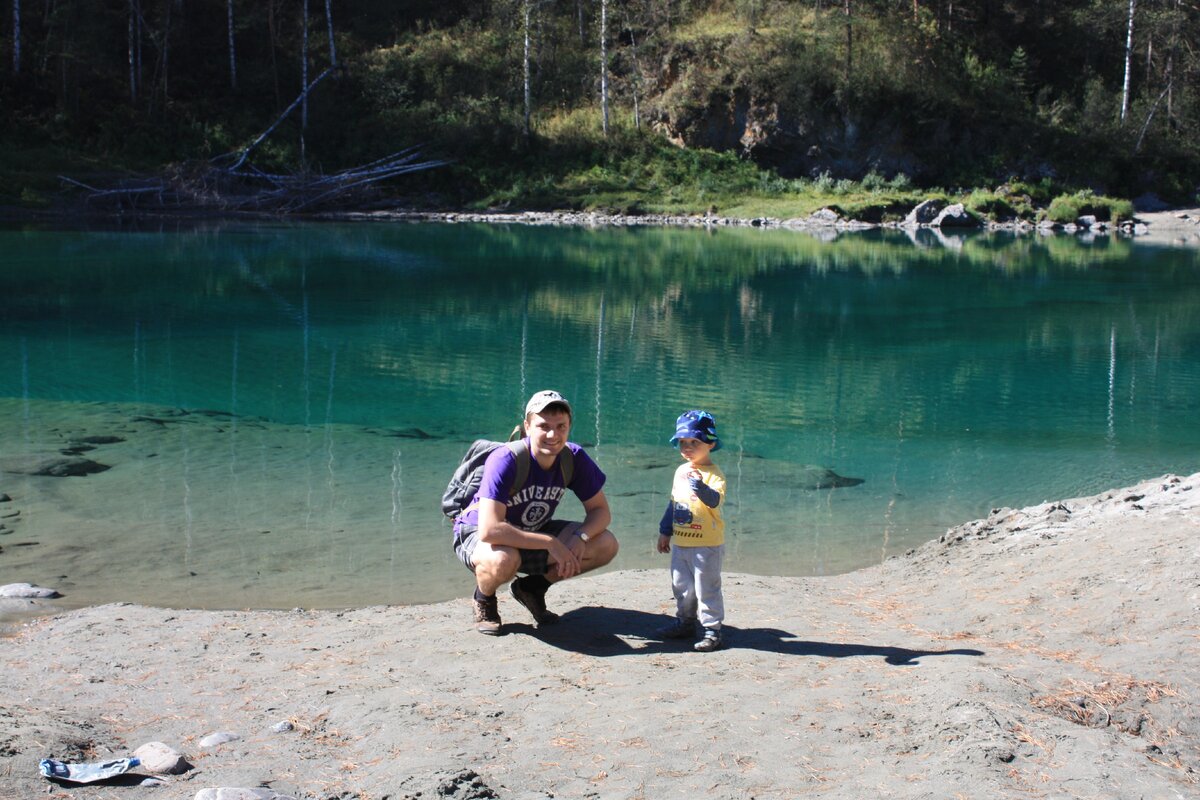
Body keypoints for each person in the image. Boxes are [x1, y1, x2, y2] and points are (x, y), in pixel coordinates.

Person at [453, 390, 619, 635]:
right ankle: (484, 599)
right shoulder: (506, 459)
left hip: (530, 531)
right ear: (527, 426)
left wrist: (580, 537)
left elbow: (600, 512)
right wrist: (551, 543)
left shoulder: (572, 458)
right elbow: (490, 530)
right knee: (503, 560)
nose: (553, 435)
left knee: (605, 543)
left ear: (569, 427)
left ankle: (532, 588)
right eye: (543, 426)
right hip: (478, 534)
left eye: (561, 426)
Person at [656, 410, 728, 652]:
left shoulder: (714, 474)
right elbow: (675, 503)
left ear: (710, 443)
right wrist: (665, 531)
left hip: (707, 544)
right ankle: (685, 622)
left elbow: (714, 501)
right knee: (681, 586)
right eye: (682, 443)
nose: (687, 448)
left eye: (693, 443)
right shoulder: (680, 471)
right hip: (682, 543)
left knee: (707, 586)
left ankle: (712, 630)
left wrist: (700, 485)